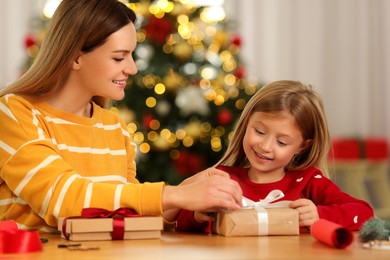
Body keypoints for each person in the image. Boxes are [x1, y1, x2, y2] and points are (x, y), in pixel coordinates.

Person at [0, 0, 242, 232]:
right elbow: (63, 197)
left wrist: (185, 198)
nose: (132, 68)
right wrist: (175, 195)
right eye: (119, 57)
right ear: (75, 57)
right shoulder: (14, 113)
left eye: (131, 55)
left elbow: (126, 214)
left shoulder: (114, 127)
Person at [175, 80, 374, 233]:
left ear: (302, 146)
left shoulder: (308, 181)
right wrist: (197, 217)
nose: (265, 146)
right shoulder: (221, 178)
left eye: (282, 142)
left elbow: (364, 213)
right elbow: (180, 224)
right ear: (246, 124)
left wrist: (319, 215)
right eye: (259, 132)